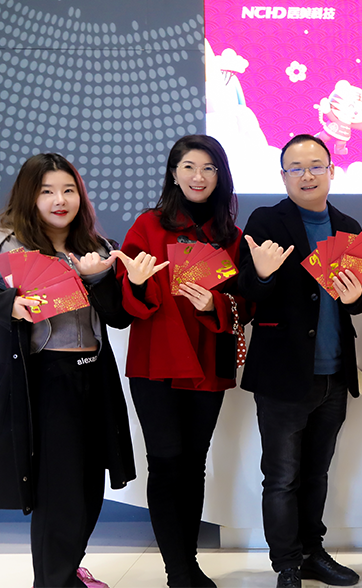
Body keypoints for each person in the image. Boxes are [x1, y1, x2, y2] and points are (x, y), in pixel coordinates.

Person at [0, 153, 135, 588]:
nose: (60, 200)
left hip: (94, 376)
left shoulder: (96, 247)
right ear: (29, 196)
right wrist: (7, 304)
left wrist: (100, 280)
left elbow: (119, 319)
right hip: (44, 380)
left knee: (90, 487)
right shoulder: (3, 245)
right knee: (59, 492)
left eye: (68, 190)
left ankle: (67, 571)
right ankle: (54, 581)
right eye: (47, 191)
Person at [236, 134, 362, 588]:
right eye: (296, 168)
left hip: (334, 373)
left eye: (316, 165)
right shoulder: (266, 220)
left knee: (317, 474)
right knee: (281, 478)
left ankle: (314, 553)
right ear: (283, 176)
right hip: (283, 374)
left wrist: (356, 298)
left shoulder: (348, 226)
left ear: (332, 171)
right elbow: (246, 290)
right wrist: (261, 273)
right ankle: (287, 564)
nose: (307, 175)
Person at [115, 135, 250, 588]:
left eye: (209, 168)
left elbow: (245, 303)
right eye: (189, 166)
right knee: (166, 460)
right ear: (173, 173)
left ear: (220, 176)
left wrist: (215, 305)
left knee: (194, 462)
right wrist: (136, 282)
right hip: (157, 360)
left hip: (207, 359)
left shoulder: (231, 236)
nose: (199, 176)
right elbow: (127, 301)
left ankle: (186, 563)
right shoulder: (148, 226)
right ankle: (179, 570)